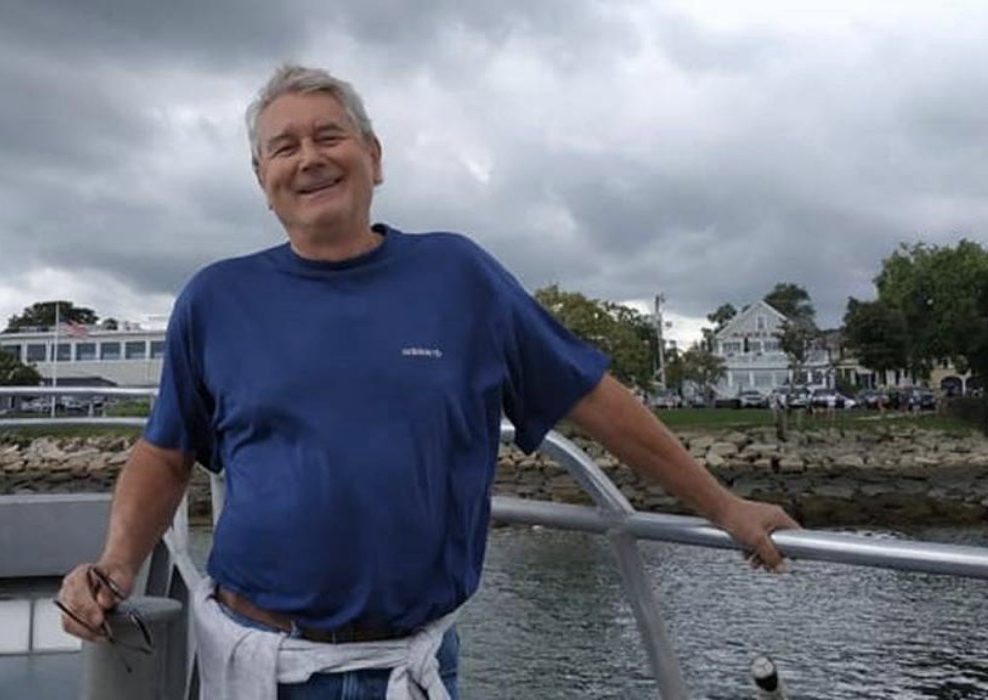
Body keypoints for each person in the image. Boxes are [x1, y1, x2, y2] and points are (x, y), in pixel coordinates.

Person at [58, 64, 799, 699]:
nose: (309, 158)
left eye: (329, 136)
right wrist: (116, 563)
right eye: (284, 147)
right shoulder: (215, 299)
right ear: (263, 181)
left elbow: (592, 396)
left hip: (409, 664)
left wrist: (724, 506)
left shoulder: (459, 277)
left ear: (374, 157)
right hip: (255, 663)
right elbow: (165, 453)